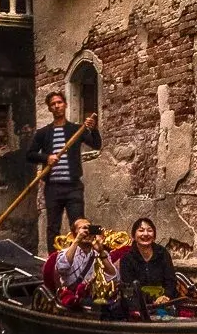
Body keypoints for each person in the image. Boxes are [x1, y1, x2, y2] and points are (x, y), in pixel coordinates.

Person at [24, 92, 100, 245]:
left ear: (65, 104)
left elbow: (97, 145)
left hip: (74, 187)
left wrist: (94, 129)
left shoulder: (76, 130)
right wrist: (47, 158)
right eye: (53, 104)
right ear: (49, 108)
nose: (57, 106)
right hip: (52, 188)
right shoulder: (43, 133)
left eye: (59, 102)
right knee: (53, 227)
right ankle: (54, 263)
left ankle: (79, 259)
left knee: (79, 225)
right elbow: (30, 155)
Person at [116, 216, 183, 319]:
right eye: (141, 230)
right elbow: (128, 287)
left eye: (149, 230)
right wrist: (152, 300)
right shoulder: (127, 258)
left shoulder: (163, 253)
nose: (146, 234)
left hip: (164, 302)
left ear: (154, 235)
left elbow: (171, 280)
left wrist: (165, 296)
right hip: (137, 303)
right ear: (134, 235)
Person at [42, 218, 116, 311]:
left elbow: (113, 276)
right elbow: (62, 268)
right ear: (74, 234)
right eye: (82, 229)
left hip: (94, 297)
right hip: (71, 299)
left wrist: (101, 251)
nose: (86, 232)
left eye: (89, 229)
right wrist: (77, 240)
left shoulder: (100, 254)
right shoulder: (65, 253)